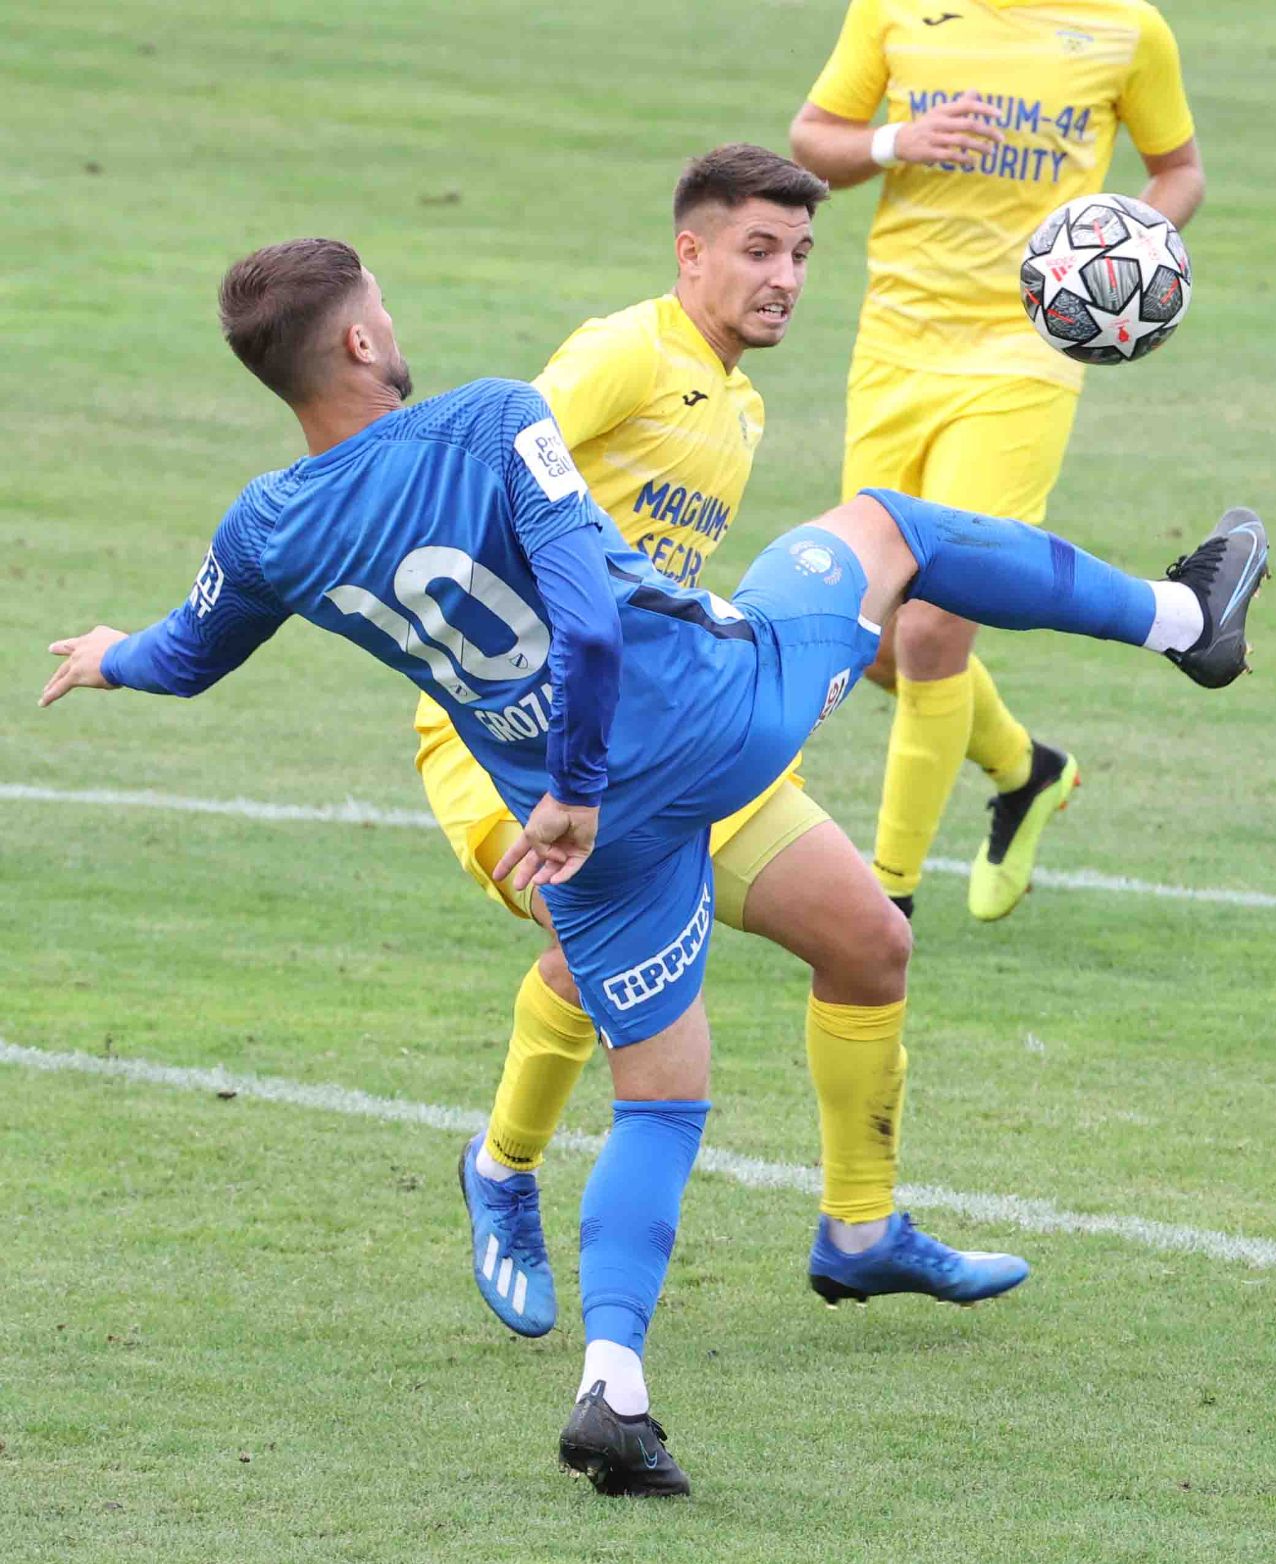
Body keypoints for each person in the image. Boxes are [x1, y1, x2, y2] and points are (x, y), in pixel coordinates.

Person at [39, 237, 1265, 1498]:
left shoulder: (267, 525)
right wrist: (578, 774)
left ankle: (613, 1387)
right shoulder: (488, 421)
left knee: (660, 1102)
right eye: (382, 308)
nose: (393, 324)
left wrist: (111, 655)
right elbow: (583, 620)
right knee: (887, 527)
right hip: (713, 717)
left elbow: (189, 655)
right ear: (358, 340)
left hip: (582, 833)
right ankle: (1186, 620)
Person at [418, 145, 1028, 1351]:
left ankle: (858, 1226)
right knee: (598, 953)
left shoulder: (737, 403)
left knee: (869, 942)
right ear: (688, 251)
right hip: (510, 742)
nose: (785, 276)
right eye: (758, 249)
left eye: (800, 253)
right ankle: (500, 1167)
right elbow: (486, 469)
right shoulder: (622, 354)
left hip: (669, 731)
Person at [790, 0, 1205, 921]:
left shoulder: (1129, 30)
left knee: (936, 628)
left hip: (1026, 357)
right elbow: (813, 140)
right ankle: (1027, 771)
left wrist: (1117, 250)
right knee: (872, 635)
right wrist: (896, 141)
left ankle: (887, 898)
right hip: (894, 346)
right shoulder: (892, 10)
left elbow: (1180, 171)